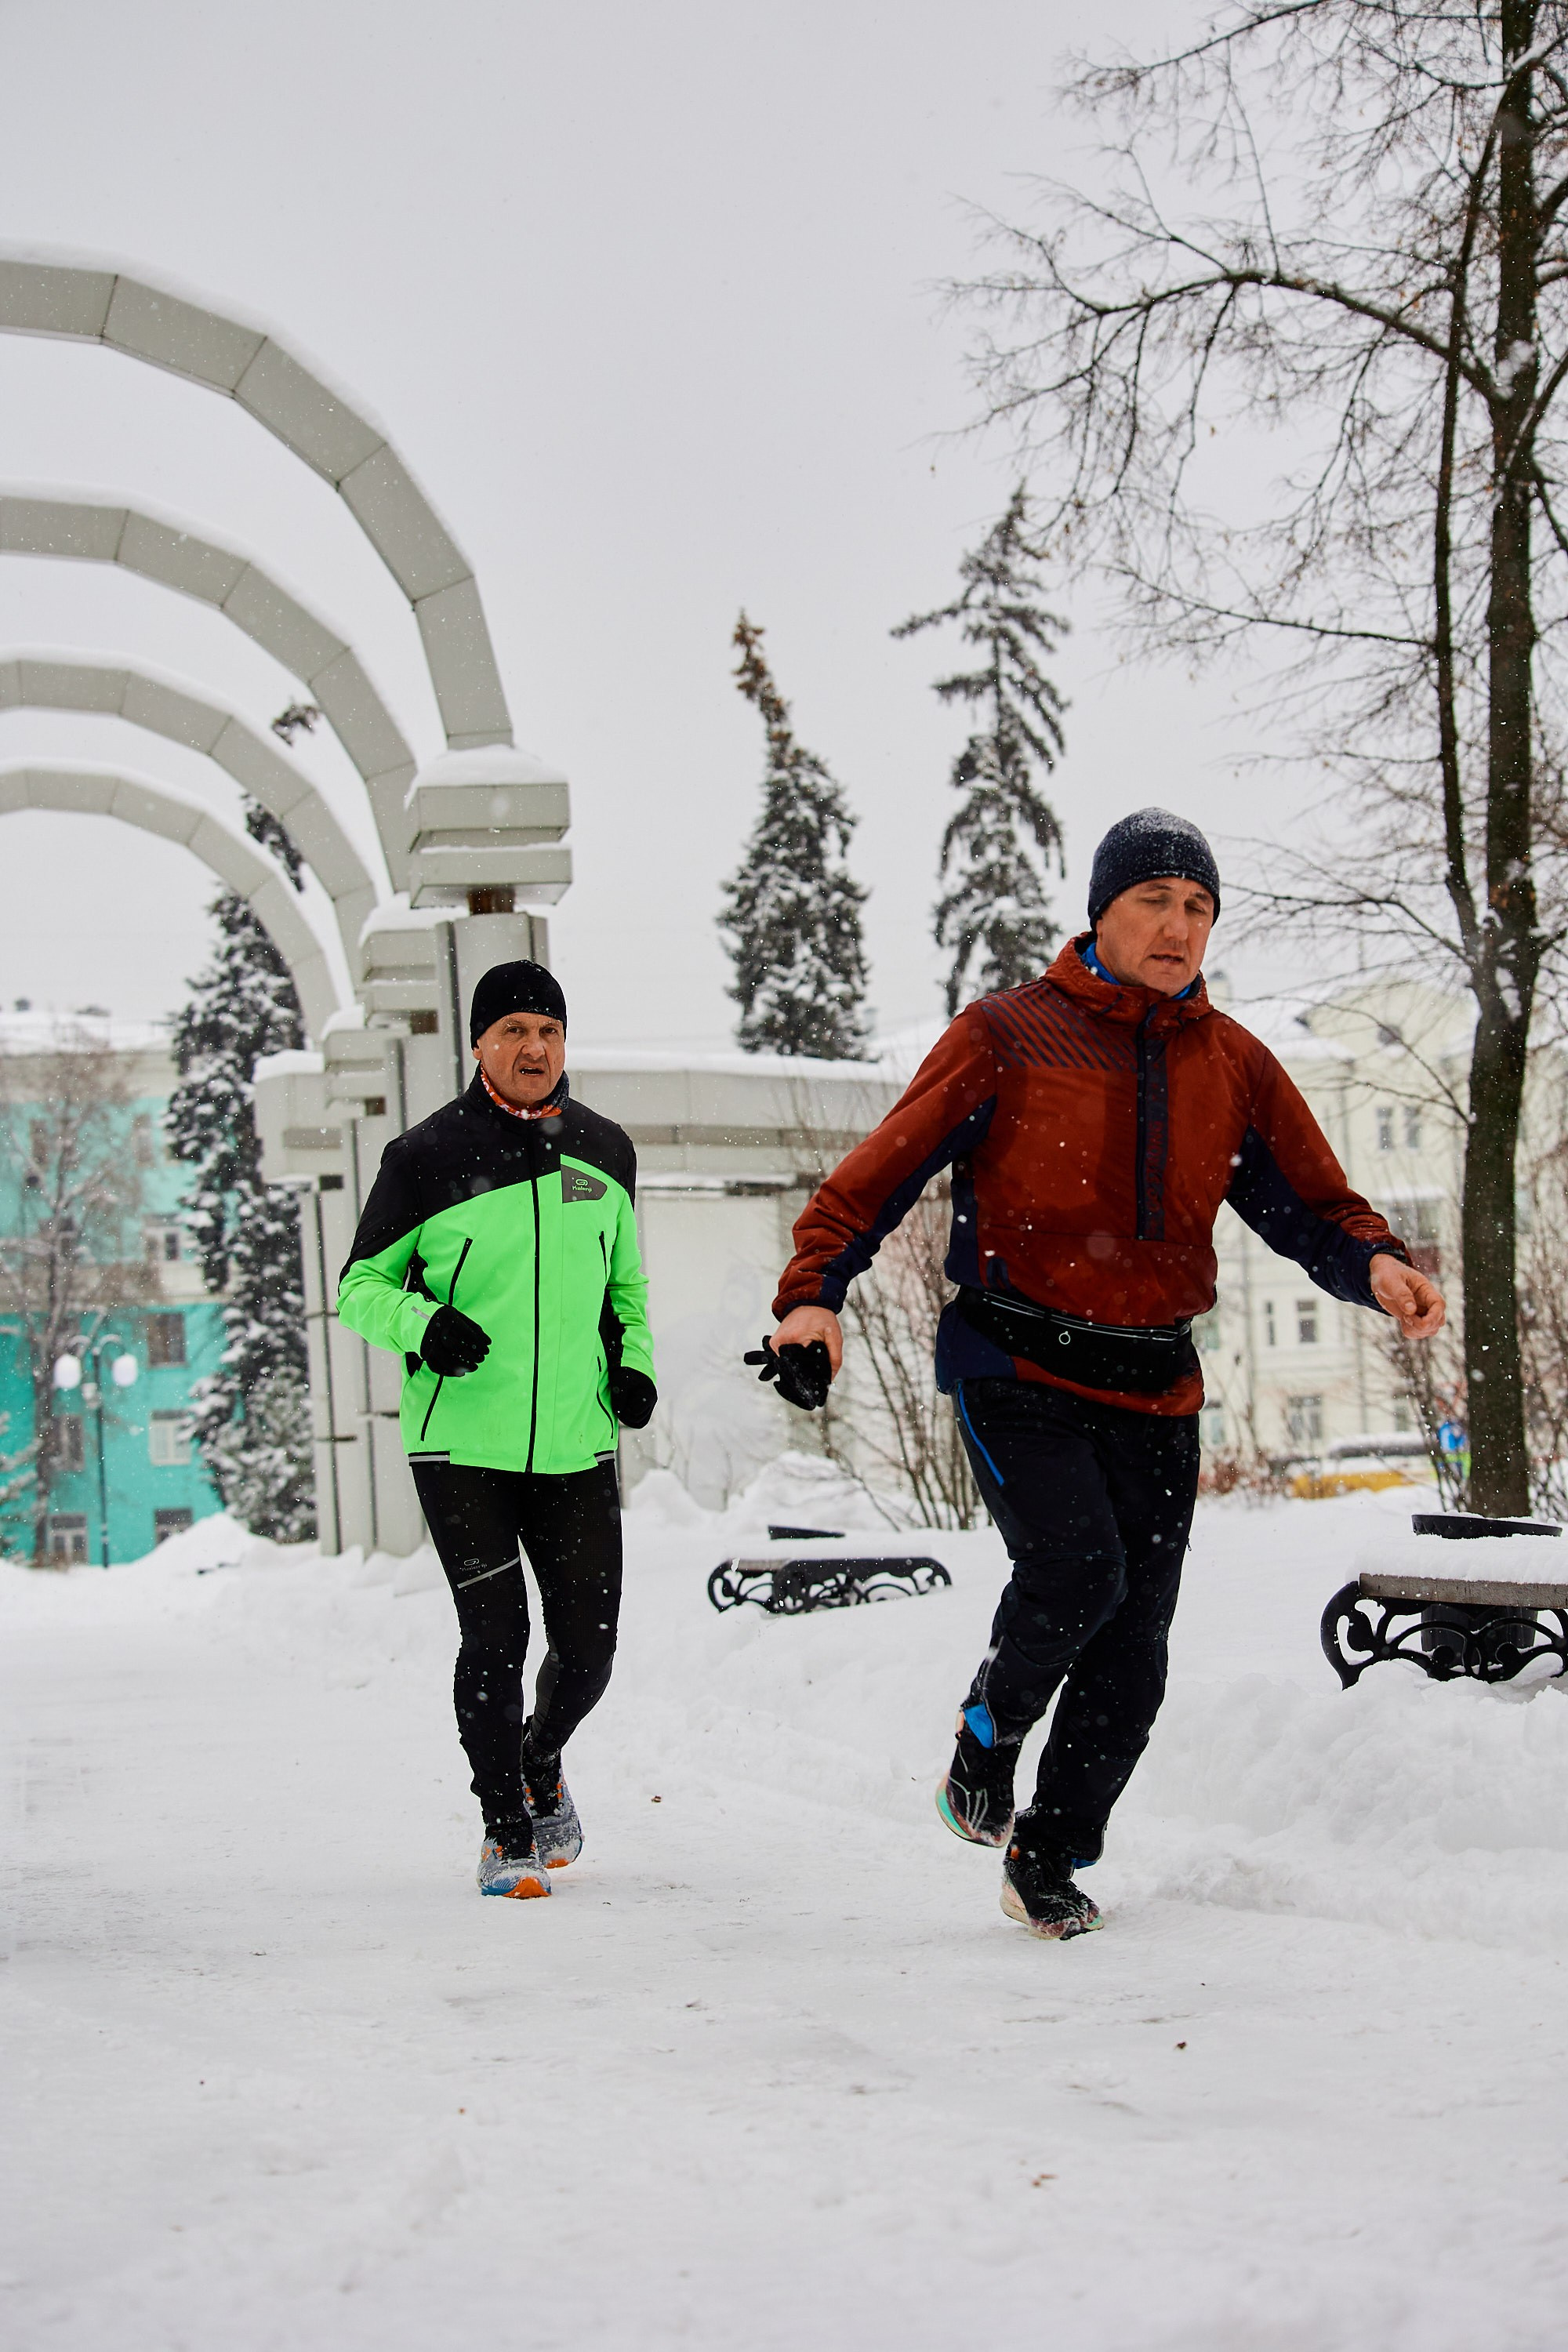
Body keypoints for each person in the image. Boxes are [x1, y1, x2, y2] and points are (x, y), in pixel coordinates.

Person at [757, 810, 1444, 1942]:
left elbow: (1308, 1203)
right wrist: (813, 1294)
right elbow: (876, 1176)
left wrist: (1378, 1265)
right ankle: (989, 1729)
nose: (1179, 928)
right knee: (1078, 1570)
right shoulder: (1007, 1034)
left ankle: (1049, 1854)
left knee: (1136, 1652)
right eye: (1155, 903)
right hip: (1016, 1355)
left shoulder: (1232, 1063)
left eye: (1199, 908)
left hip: (1158, 1380)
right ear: (1103, 912)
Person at [337, 961, 656, 1899]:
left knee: (589, 1644)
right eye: (512, 1030)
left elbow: (625, 1289)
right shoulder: (425, 1156)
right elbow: (359, 1288)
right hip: (459, 1444)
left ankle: (539, 1756)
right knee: (495, 1635)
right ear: (477, 1044)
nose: (533, 1048)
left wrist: (633, 1364)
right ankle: (504, 1831)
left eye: (548, 1031)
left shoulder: (605, 1150)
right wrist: (420, 1326)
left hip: (574, 1441)